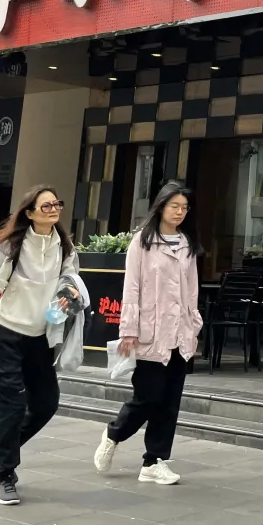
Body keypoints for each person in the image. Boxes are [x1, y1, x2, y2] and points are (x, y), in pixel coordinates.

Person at [0, 185, 78, 506]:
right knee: (10, 407)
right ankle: (6, 475)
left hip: (39, 339)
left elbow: (68, 286)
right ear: (30, 213)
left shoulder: (66, 248)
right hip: (5, 335)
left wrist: (68, 299)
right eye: (46, 205)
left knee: (46, 403)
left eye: (57, 204)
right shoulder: (12, 247)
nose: (54, 209)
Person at [94, 180, 203, 485]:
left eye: (184, 208)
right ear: (161, 206)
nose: (179, 212)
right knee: (147, 397)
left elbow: (192, 290)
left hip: (180, 333)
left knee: (170, 401)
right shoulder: (142, 242)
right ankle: (114, 433)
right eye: (174, 206)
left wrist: (194, 326)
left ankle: (154, 461)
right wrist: (129, 329)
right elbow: (131, 288)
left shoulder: (187, 244)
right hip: (150, 332)